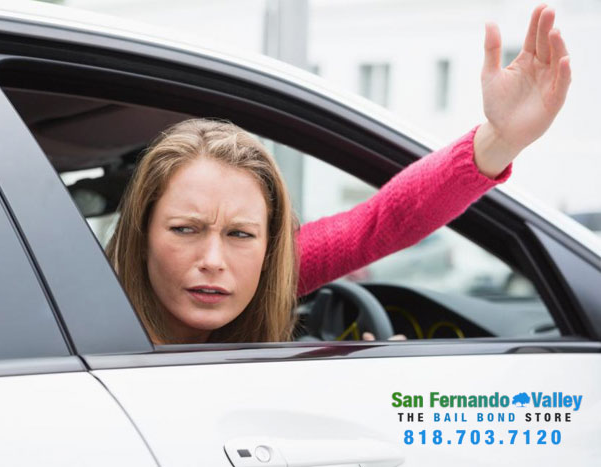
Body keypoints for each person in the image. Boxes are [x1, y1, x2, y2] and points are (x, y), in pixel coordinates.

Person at [105, 4, 570, 345]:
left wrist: (501, 139)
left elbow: (381, 222)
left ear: (271, 246)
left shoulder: (269, 273)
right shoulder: (72, 316)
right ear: (140, 231)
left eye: (241, 234)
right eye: (185, 228)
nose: (213, 258)